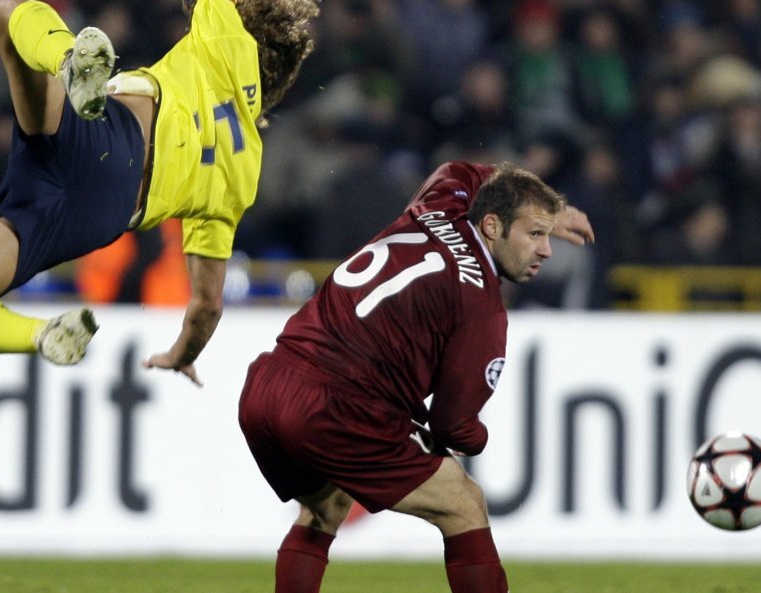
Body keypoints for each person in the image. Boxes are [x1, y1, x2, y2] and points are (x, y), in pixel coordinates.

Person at [0, 0, 318, 384]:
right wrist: (180, 356)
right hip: (98, 215)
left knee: (2, 9)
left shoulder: (228, 34)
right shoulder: (244, 173)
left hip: (105, 140)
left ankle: (69, 61)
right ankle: (43, 334)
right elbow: (207, 306)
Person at [238, 161, 595, 592]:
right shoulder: (481, 308)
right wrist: (473, 440)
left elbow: (460, 169)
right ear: (492, 227)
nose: (546, 249)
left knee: (325, 506)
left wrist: (547, 211)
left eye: (545, 234)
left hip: (267, 385)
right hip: (334, 408)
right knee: (465, 504)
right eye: (534, 234)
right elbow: (454, 426)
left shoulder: (439, 207)